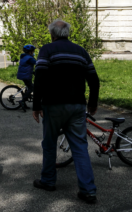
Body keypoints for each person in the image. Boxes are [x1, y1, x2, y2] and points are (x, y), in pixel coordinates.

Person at [32, 19, 99, 205]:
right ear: (68, 33)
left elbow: (40, 77)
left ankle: (48, 181)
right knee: (80, 148)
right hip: (77, 106)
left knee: (49, 144)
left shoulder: (47, 50)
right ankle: (88, 191)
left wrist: (36, 105)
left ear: (52, 34)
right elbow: (94, 79)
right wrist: (92, 102)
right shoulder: (81, 51)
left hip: (53, 105)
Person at [16, 44, 37, 111]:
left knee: (29, 87)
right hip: (26, 75)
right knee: (31, 88)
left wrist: (33, 72)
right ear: (29, 52)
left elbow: (26, 67)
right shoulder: (29, 58)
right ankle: (22, 101)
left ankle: (24, 102)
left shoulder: (24, 57)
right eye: (33, 51)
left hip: (24, 74)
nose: (33, 53)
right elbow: (37, 63)